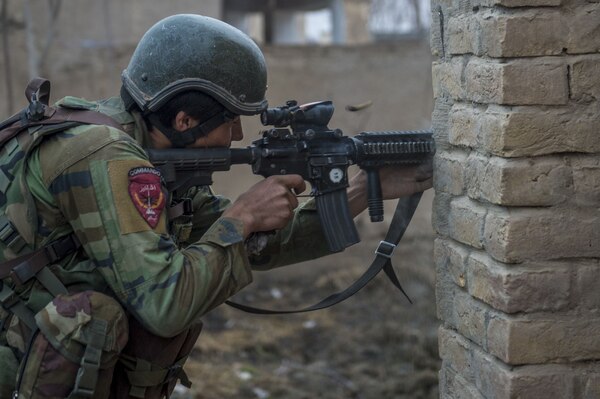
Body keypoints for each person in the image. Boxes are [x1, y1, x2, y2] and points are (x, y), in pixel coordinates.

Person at [0, 14, 432, 399]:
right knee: (106, 318)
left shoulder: (157, 154)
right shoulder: (105, 156)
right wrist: (241, 217)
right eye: (230, 120)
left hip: (43, 349)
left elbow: (261, 247)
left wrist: (361, 188)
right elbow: (165, 305)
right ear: (184, 120)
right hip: (16, 357)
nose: (239, 134)